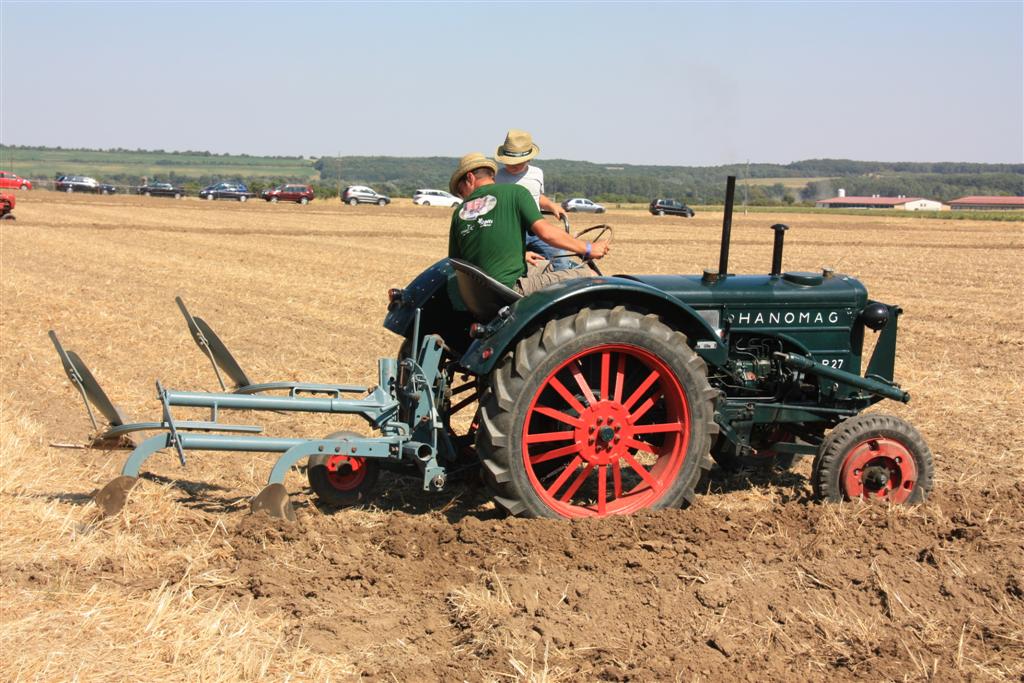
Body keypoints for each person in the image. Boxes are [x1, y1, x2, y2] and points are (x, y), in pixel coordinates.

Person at [448, 153, 609, 296]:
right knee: (589, 274)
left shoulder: (460, 212)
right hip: (509, 289)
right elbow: (545, 232)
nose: (463, 196)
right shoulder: (515, 192)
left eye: (461, 191)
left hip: (479, 295)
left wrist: (520, 254)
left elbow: (458, 260)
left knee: (546, 265)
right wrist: (588, 248)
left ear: (470, 178)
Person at [494, 129, 572, 271]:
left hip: (535, 228)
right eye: (509, 162)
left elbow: (537, 197)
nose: (512, 165)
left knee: (561, 257)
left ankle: (557, 287)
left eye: (517, 162)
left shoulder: (537, 173)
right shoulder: (497, 177)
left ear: (528, 158)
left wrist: (551, 205)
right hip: (510, 230)